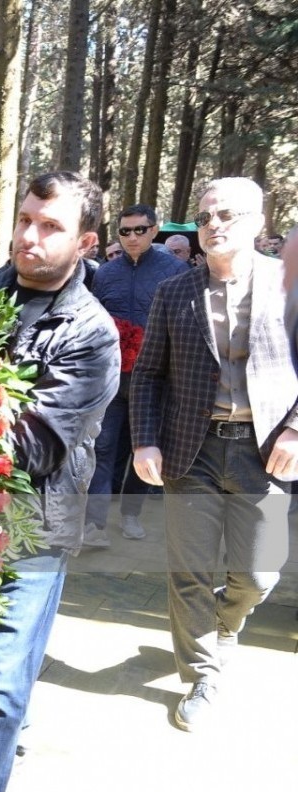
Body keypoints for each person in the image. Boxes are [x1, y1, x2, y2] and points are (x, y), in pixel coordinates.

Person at [0, 172, 119, 792]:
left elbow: (33, 446)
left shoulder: (91, 333)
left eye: (51, 226)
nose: (29, 236)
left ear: (86, 242)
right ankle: (11, 730)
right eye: (25, 219)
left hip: (34, 527)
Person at [130, 177, 298, 732]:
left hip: (263, 450)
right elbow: (148, 374)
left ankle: (226, 616)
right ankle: (203, 674)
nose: (213, 225)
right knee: (189, 573)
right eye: (204, 217)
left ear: (258, 222)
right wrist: (144, 439)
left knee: (260, 574)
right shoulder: (174, 291)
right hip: (191, 449)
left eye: (227, 214)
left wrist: (296, 430)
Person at [83, 205, 188, 546]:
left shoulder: (176, 271)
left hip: (155, 380)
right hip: (111, 378)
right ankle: (95, 524)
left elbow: (185, 325)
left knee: (145, 447)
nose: (132, 237)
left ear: (154, 231)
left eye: (139, 230)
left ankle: (131, 514)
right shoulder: (105, 273)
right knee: (102, 446)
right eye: (125, 231)